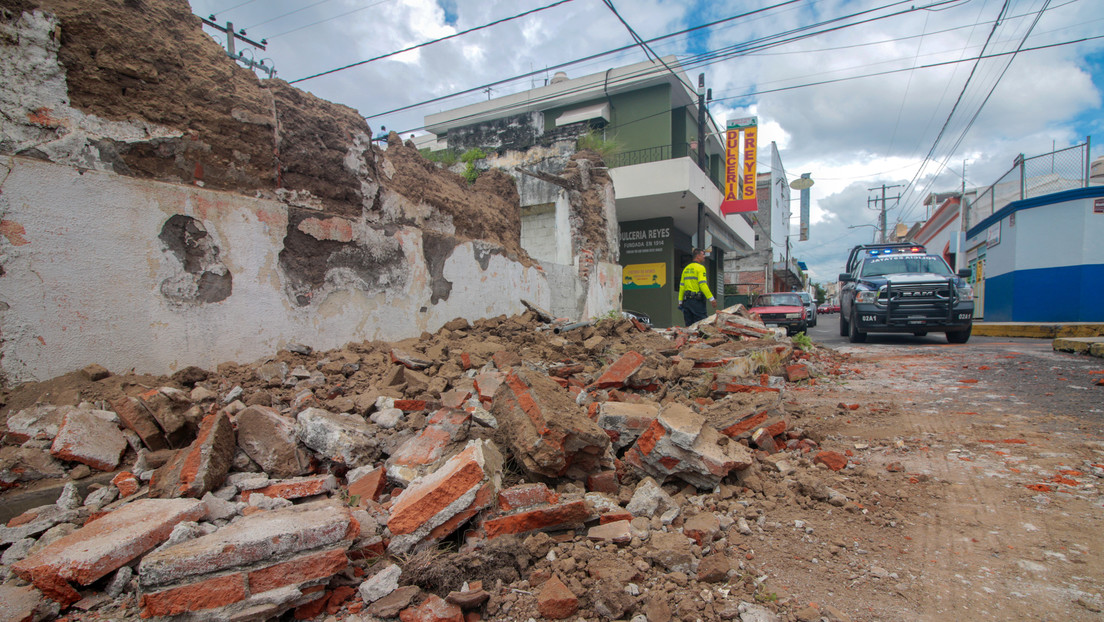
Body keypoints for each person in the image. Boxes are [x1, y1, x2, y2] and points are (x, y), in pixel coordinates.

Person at [677, 248, 717, 325]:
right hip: (697, 302)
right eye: (703, 254)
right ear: (698, 256)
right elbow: (702, 284)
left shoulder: (686, 269)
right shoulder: (700, 268)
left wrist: (680, 302)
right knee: (702, 325)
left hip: (687, 302)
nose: (704, 256)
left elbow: (682, 286)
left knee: (689, 327)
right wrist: (711, 299)